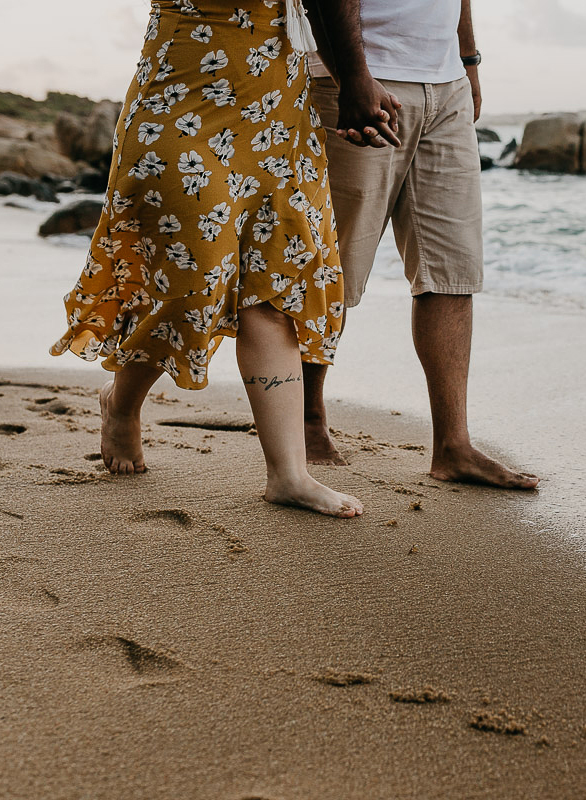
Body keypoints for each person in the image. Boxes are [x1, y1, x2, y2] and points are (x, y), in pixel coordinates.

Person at [50, 0, 398, 517]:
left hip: (277, 110)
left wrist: (355, 80)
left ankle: (289, 475)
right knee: (187, 282)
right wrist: (356, 80)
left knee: (275, 287)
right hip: (179, 99)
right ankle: (121, 402)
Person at [302, 0, 539, 490]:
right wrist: (353, 76)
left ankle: (453, 445)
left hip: (445, 82)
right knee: (333, 266)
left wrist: (467, 59)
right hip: (359, 77)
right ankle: (306, 420)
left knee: (451, 269)